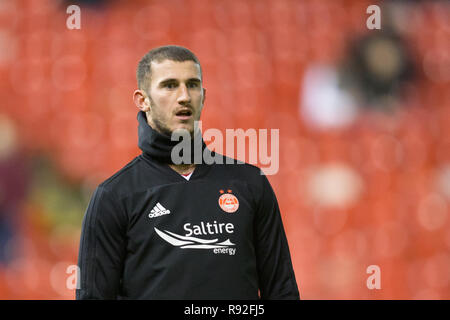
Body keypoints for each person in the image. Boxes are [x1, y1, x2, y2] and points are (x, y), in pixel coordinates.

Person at [76, 45, 299, 300]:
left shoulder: (249, 182)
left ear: (203, 96)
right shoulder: (114, 196)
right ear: (142, 100)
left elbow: (282, 290)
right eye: (169, 85)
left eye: (192, 85)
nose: (184, 96)